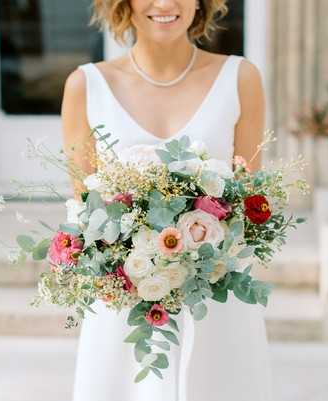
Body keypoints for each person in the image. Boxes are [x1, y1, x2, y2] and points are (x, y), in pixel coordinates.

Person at [61, 1, 271, 400]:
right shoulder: (85, 85)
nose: (165, 3)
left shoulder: (240, 78)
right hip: (124, 304)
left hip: (216, 299)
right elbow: (87, 211)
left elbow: (249, 200)